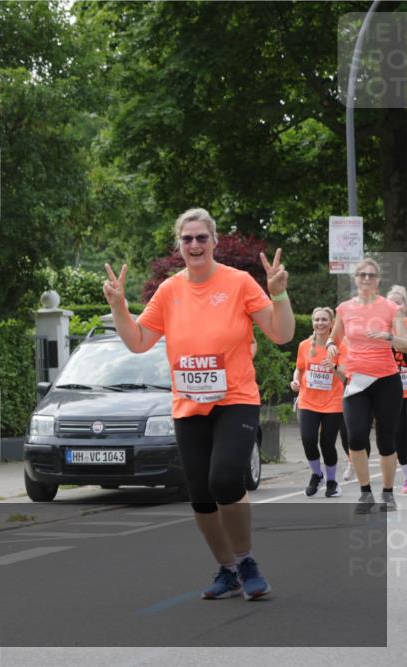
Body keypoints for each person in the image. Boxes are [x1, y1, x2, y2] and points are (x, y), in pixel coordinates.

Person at [103, 208, 294, 601]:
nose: (194, 245)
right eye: (187, 239)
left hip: (235, 400)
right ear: (179, 246)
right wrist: (119, 307)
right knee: (201, 495)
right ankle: (227, 569)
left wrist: (279, 294)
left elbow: (280, 333)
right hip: (188, 406)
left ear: (214, 241)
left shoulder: (239, 282)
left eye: (201, 238)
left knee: (225, 479)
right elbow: (138, 342)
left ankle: (246, 560)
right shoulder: (171, 290)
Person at [327, 259, 407, 513]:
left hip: (386, 380)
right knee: (356, 436)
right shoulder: (344, 309)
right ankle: (365, 493)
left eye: (371, 275)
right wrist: (330, 344)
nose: (366, 279)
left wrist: (389, 337)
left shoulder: (391, 308)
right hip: (357, 381)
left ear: (378, 280)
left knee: (386, 439)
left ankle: (386, 493)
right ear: (355, 279)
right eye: (362, 275)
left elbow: (404, 343)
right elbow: (335, 336)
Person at [290, 307, 347, 498]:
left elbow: (346, 377)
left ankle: (332, 481)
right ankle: (317, 474)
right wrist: (295, 380)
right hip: (308, 401)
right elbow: (299, 368)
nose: (320, 323)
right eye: (317, 320)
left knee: (327, 444)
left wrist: (334, 367)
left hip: (333, 403)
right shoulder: (304, 345)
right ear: (312, 322)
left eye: (324, 320)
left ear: (332, 323)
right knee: (308, 439)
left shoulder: (340, 346)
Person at [386, 285, 407, 494]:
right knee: (398, 434)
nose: (395, 306)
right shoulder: (381, 329)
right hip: (393, 392)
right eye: (391, 302)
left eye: (398, 301)